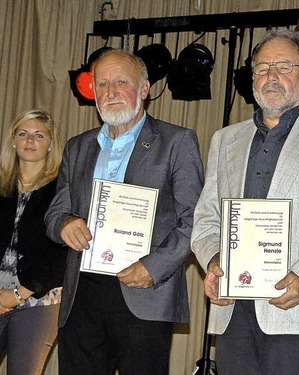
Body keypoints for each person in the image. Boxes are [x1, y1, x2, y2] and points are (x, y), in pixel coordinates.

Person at [191, 29, 299, 375]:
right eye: (263, 68)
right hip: (233, 309)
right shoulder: (225, 139)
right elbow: (206, 218)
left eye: (284, 67)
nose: (272, 77)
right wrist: (215, 262)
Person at [45, 49, 204, 374]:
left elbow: (195, 220)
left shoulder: (176, 142)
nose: (111, 92)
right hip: (82, 294)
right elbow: (54, 214)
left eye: (121, 82)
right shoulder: (78, 146)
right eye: (102, 84)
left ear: (144, 89)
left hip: (143, 289)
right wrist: (64, 223)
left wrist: (154, 267)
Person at [0, 109, 66, 375]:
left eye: (39, 135)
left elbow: (65, 252)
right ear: (13, 140)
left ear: (50, 144)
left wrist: (18, 294)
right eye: (23, 133)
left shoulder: (64, 190)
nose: (30, 140)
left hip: (38, 301)